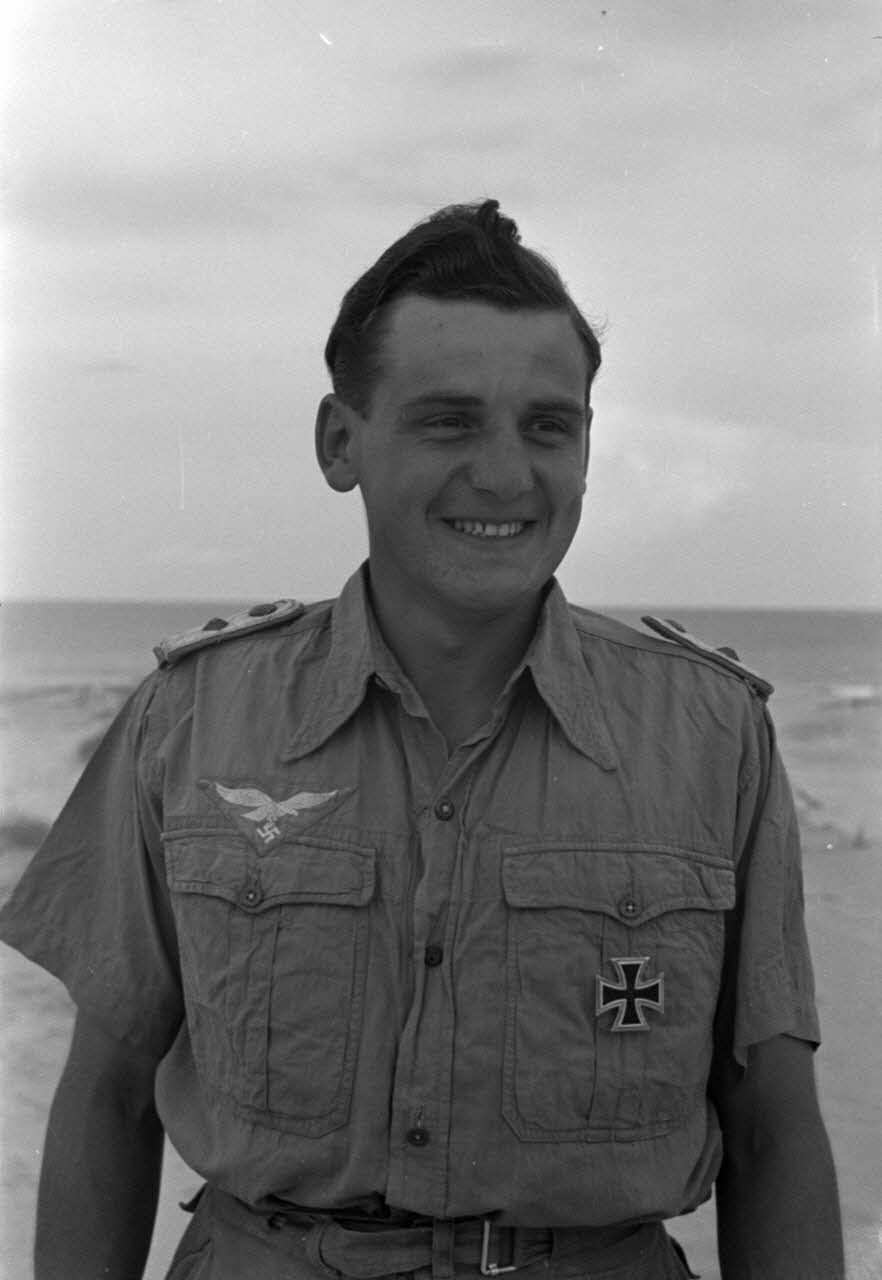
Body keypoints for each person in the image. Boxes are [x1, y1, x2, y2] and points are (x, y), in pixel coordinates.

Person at [0, 199, 844, 1280]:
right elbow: (109, 1097)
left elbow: (773, 1130)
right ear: (340, 442)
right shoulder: (193, 720)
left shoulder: (711, 734)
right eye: (449, 422)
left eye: (549, 426)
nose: (504, 474)